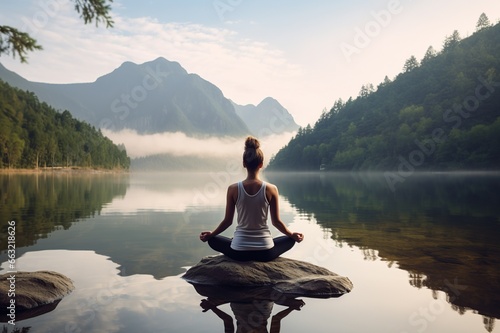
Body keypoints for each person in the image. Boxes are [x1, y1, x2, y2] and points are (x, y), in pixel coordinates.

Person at [199, 136, 304, 261]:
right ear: (261, 164)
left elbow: (228, 221)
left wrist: (211, 234)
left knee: (212, 241)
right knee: (290, 240)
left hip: (239, 252)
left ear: (244, 163)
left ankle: (237, 242)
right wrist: (292, 234)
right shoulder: (271, 189)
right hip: (265, 253)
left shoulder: (233, 189)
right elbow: (276, 222)